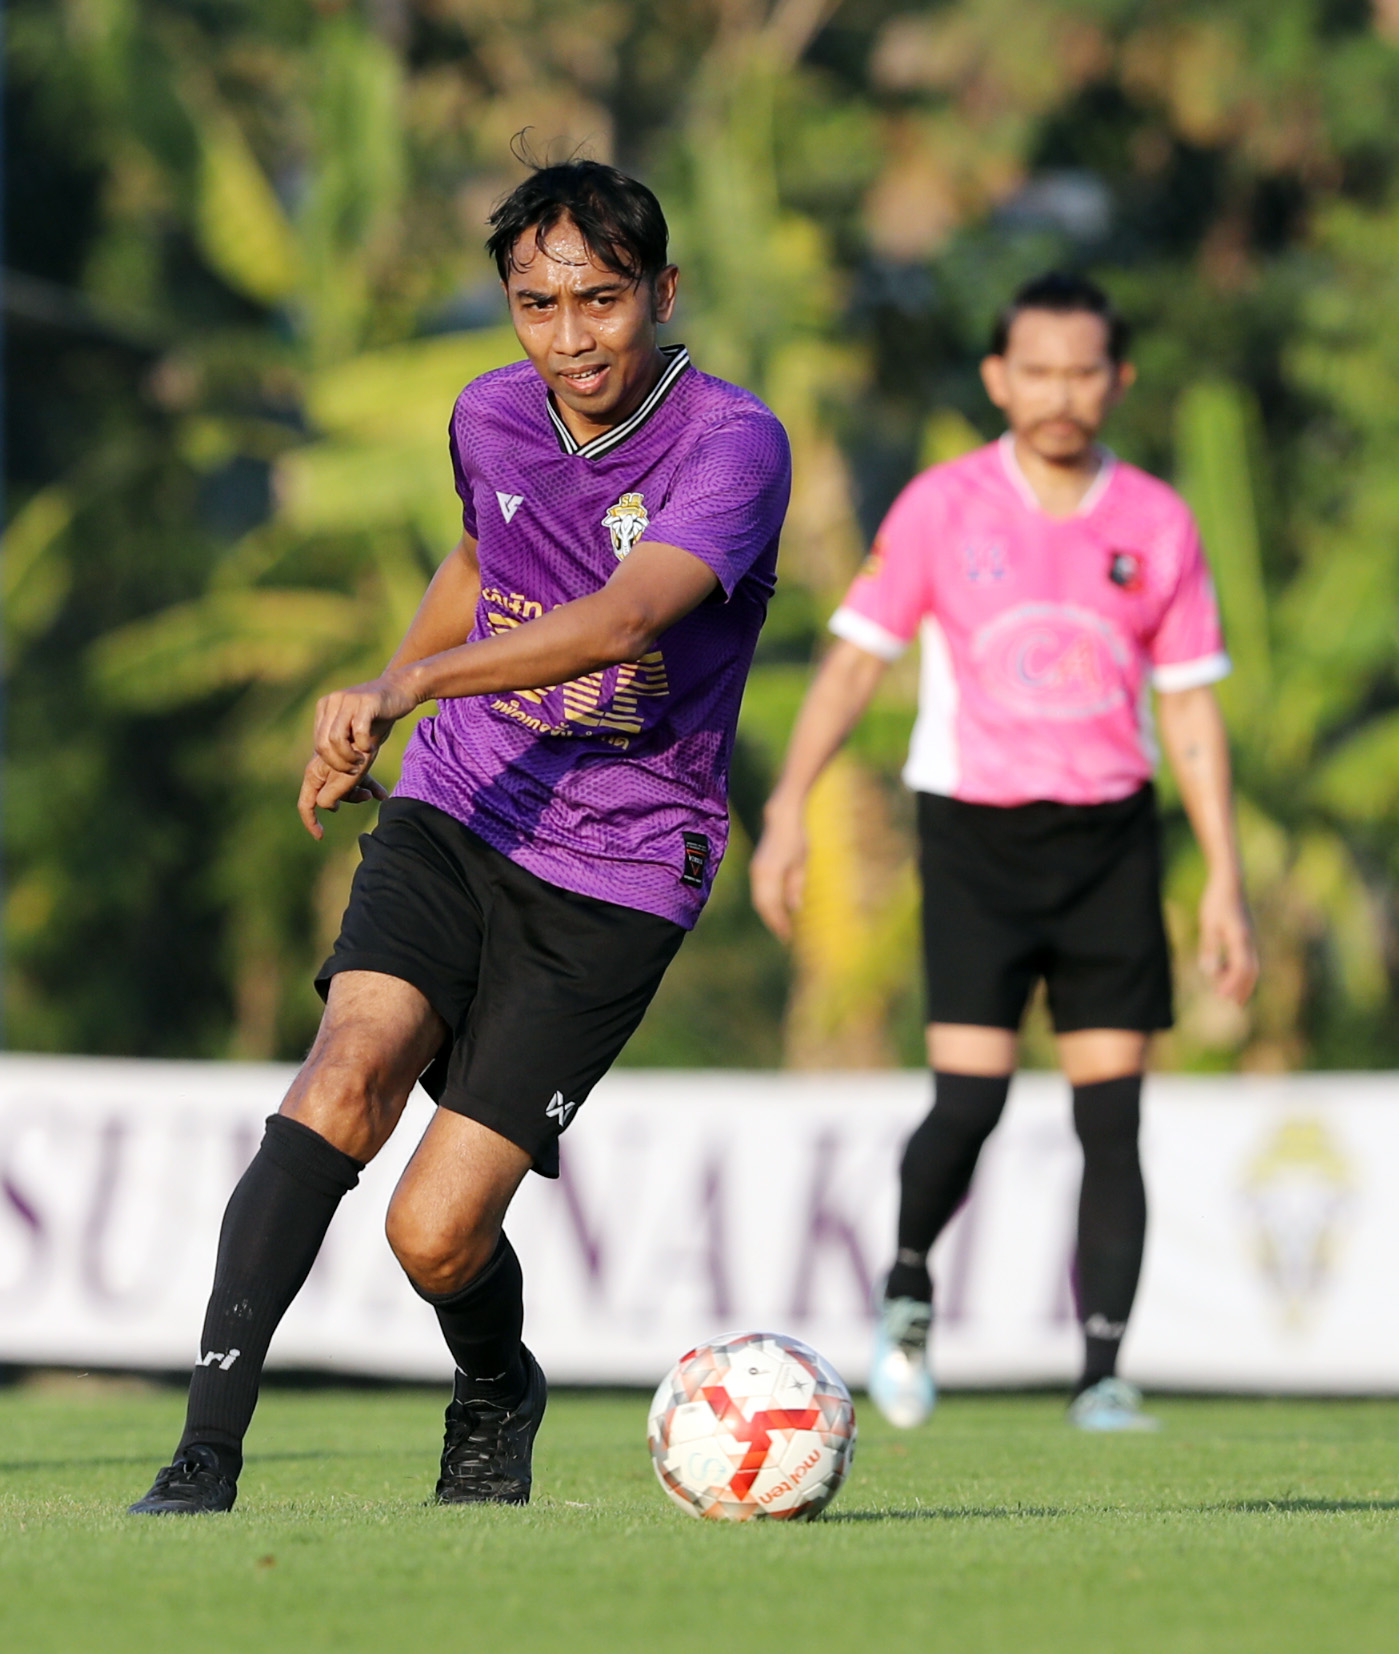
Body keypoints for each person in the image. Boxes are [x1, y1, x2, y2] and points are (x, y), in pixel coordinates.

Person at [129, 158, 791, 1513]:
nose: (570, 336)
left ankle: (497, 1385)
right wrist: (388, 695)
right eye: (537, 305)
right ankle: (202, 1459)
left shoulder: (733, 442)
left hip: (621, 870)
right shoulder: (488, 414)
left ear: (663, 292)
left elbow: (621, 619)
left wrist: (411, 683)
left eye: (601, 300)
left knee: (432, 1233)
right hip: (463, 801)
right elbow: (485, 563)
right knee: (340, 1080)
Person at [750, 272, 1256, 1433]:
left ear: (1118, 380)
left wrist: (1225, 876)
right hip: (976, 834)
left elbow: (1188, 706)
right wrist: (787, 808)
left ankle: (1104, 1374)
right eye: (1038, 372)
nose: (1060, 394)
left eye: (1083, 372)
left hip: (1109, 838)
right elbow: (856, 660)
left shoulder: (1158, 522)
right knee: (969, 1101)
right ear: (999, 379)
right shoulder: (944, 505)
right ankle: (908, 1286)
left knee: (1111, 1116)